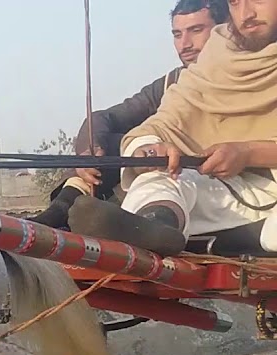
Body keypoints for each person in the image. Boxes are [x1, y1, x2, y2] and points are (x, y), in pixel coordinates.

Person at [68, 0, 277, 256]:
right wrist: (148, 151)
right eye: (235, 2)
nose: (246, 15)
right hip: (236, 192)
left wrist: (247, 153)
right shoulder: (218, 54)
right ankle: (155, 229)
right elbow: (167, 120)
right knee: (160, 177)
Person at [34, 0, 227, 228]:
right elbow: (103, 118)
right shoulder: (170, 84)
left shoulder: (253, 73)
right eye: (177, 34)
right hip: (171, 181)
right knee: (115, 146)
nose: (185, 44)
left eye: (196, 30)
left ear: (225, 28)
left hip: (227, 184)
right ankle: (61, 211)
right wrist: (90, 152)